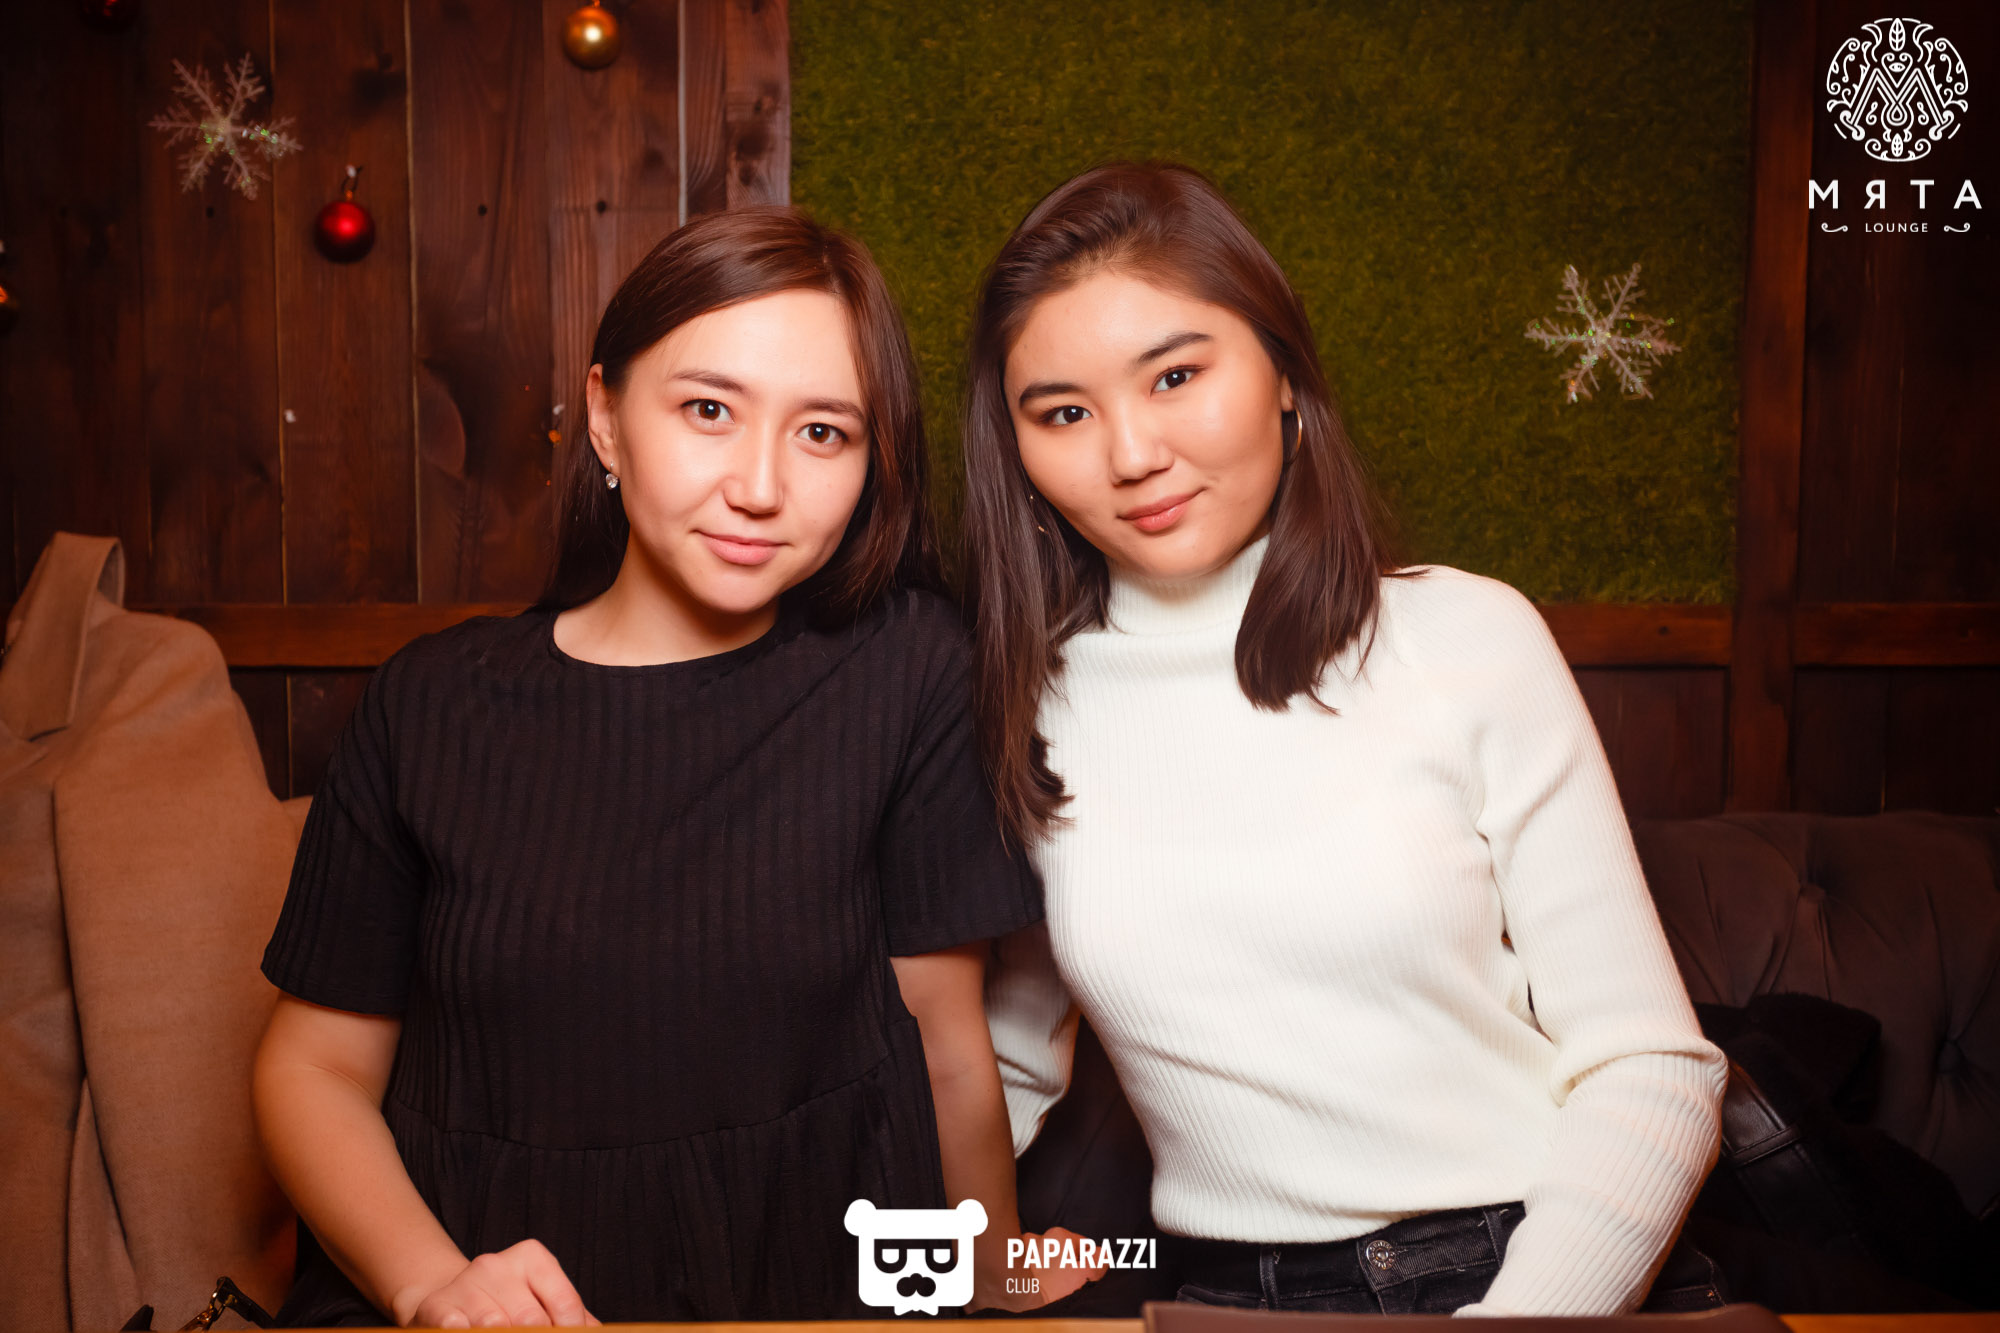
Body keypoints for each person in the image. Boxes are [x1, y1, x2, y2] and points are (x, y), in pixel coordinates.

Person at [252, 206, 1088, 1326]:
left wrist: (989, 1269)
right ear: (605, 418)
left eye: (823, 432)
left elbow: (943, 1041)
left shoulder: (909, 669)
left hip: (805, 1290)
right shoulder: (430, 704)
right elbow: (310, 1070)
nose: (759, 484)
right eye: (708, 410)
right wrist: (432, 1284)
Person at [966, 163, 1731, 1316]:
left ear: (1283, 374)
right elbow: (996, 1058)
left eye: (1175, 375)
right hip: (1229, 1296)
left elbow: (1650, 1062)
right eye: (1063, 412)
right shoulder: (1030, 700)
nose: (1129, 452)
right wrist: (952, 1252)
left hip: (1537, 1265)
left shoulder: (1461, 634)